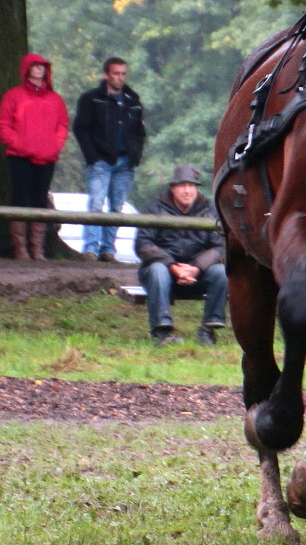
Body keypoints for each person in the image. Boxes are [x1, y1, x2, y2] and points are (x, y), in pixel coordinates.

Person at [134, 165, 227, 347]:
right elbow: (143, 245)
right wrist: (173, 266)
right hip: (162, 274)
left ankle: (208, 329)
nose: (187, 190)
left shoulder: (210, 211)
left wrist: (196, 268)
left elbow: (220, 246)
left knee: (221, 273)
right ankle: (162, 332)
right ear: (172, 188)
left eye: (192, 186)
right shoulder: (153, 209)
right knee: (157, 270)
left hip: (197, 275)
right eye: (182, 185)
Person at [72, 57, 146, 261]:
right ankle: (90, 248)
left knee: (117, 207)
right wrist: (93, 157)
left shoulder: (133, 100)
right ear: (106, 75)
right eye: (116, 73)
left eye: (123, 73)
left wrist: (134, 156)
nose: (120, 77)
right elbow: (81, 129)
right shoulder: (92, 99)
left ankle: (108, 249)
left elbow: (139, 131)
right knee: (96, 203)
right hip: (101, 160)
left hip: (125, 162)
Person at [1, 54, 69, 260]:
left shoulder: (55, 99)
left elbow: (62, 126)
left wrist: (53, 147)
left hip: (46, 158)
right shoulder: (13, 96)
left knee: (40, 200)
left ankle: (37, 248)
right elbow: (4, 123)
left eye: (42, 66)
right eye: (35, 66)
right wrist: (18, 143)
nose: (39, 69)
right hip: (19, 156)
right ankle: (20, 248)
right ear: (26, 69)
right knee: (20, 199)